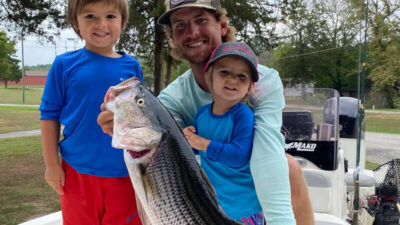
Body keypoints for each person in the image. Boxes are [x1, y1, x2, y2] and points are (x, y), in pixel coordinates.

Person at [98, 0, 314, 224]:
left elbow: (266, 157)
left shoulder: (263, 81)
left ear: (222, 26)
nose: (192, 32)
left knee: (290, 167)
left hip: (252, 192)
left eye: (201, 20)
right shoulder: (173, 99)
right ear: (172, 37)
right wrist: (120, 123)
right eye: (180, 25)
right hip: (206, 201)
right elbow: (167, 165)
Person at [39, 0, 143, 224]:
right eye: (90, 16)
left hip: (125, 173)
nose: (101, 24)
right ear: (76, 22)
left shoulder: (132, 67)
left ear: (122, 22)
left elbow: (140, 118)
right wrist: (51, 165)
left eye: (110, 16)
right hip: (77, 173)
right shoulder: (63, 65)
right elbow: (49, 116)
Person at [183, 42, 263, 224]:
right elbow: (196, 151)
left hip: (243, 207)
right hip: (212, 206)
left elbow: (238, 156)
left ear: (250, 86)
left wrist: (201, 143)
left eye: (242, 76)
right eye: (224, 72)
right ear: (209, 77)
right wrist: (188, 138)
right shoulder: (202, 114)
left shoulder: (243, 115)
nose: (233, 80)